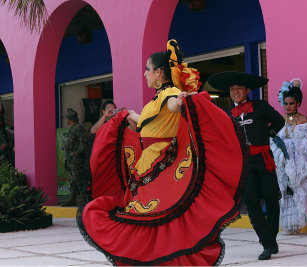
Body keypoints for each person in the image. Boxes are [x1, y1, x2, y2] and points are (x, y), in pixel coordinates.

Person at [77, 40, 246, 266]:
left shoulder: (170, 94)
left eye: (147, 69)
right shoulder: (156, 99)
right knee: (148, 220)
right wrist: (128, 115)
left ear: (158, 72)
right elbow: (146, 124)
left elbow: (174, 106)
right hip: (146, 166)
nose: (144, 73)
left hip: (162, 165)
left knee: (156, 220)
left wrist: (181, 101)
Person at [207, 71, 285, 261]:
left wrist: (269, 133)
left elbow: (279, 120)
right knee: (251, 204)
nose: (235, 92)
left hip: (264, 159)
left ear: (247, 90)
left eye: (239, 88)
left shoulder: (260, 106)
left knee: (272, 200)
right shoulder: (225, 114)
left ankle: (271, 238)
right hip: (243, 164)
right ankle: (266, 244)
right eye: (232, 89)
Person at [270, 79, 307, 237]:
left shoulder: (304, 120)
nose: (288, 107)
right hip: (286, 165)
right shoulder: (280, 121)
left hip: (302, 164)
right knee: (288, 193)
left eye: (291, 103)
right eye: (285, 103)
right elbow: (274, 141)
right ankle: (293, 225)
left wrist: (292, 146)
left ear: (298, 103)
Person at [61, 108, 87, 206]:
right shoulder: (72, 129)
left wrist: (77, 152)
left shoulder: (79, 128)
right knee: (72, 179)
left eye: (67, 118)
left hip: (77, 159)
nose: (66, 120)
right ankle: (72, 198)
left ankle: (82, 199)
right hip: (69, 159)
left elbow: (83, 141)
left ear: (70, 118)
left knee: (78, 178)